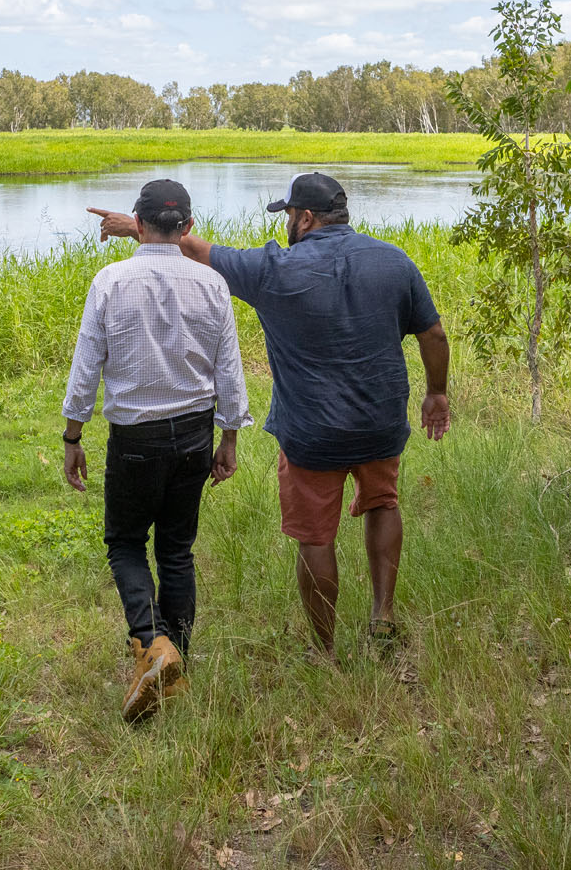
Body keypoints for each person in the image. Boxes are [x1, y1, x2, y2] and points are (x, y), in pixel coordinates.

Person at [90, 172, 449, 658]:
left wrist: (139, 229)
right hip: (380, 422)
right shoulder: (394, 261)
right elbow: (434, 335)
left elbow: (196, 251)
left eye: (288, 217)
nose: (286, 226)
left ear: (304, 218)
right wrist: (436, 394)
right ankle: (382, 617)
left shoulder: (274, 270)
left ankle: (325, 651)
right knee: (383, 502)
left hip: (311, 433)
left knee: (315, 535)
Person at [62, 178, 250, 721]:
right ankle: (175, 661)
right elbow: (229, 370)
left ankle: (151, 644)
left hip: (135, 439)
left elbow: (85, 370)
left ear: (137, 225)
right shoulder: (211, 285)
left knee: (124, 542)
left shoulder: (109, 280)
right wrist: (230, 435)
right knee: (176, 549)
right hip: (194, 434)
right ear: (188, 228)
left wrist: (73, 437)